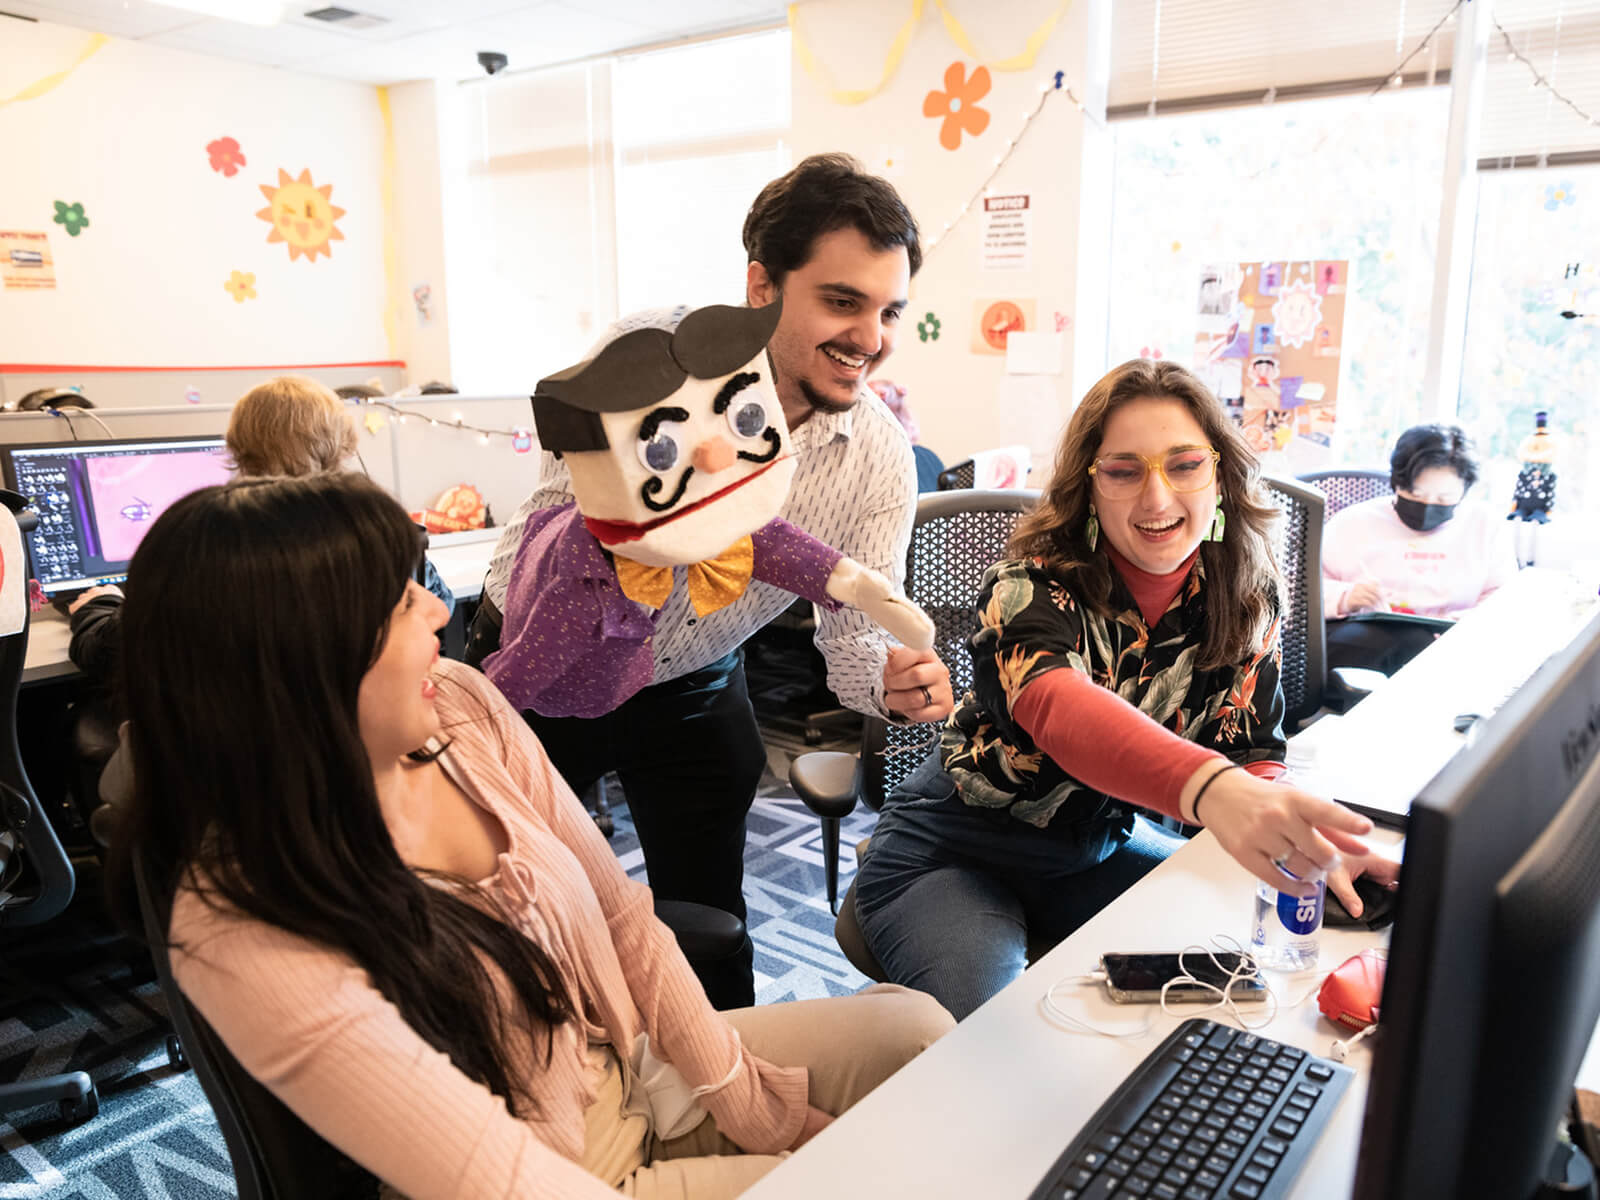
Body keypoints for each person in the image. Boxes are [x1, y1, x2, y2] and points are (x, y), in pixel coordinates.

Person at [105, 473, 954, 1199]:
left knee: (915, 1033)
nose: (438, 610)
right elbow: (510, 1182)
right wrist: (813, 1160)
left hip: (630, 1066)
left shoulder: (462, 707)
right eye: (401, 601)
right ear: (300, 664)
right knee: (894, 1176)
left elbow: (623, 919)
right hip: (558, 1171)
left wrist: (762, 1113)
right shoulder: (243, 923)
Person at [470, 153, 954, 1010]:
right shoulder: (650, 360)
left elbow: (851, 638)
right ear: (761, 285)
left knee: (712, 930)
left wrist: (886, 679)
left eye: (888, 312)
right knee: (512, 917)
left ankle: (734, 1100)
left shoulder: (878, 458)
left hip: (692, 685)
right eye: (843, 301)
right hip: (537, 661)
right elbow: (550, 527)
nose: (871, 339)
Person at [853, 359, 1391, 1021]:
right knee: (989, 1045)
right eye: (1124, 470)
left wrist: (1301, 842)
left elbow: (1251, 750)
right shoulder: (1027, 583)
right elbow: (1056, 704)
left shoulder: (1246, 595)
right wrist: (1217, 792)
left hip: (1094, 851)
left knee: (1238, 981)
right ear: (1090, 486)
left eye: (1185, 465)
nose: (1158, 499)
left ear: (1219, 473)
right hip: (952, 853)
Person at [68, 375, 455, 686]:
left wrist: (97, 608)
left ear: (236, 446)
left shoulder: (206, 538)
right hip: (362, 739)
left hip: (239, 754)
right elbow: (442, 604)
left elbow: (119, 652)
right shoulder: (382, 529)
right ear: (343, 449)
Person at [1322, 424, 1516, 674]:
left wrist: (1469, 623)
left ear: (1464, 491)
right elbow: (1303, 593)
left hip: (1453, 642)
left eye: (1443, 499)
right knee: (1406, 645)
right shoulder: (1352, 522)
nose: (1427, 506)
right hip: (1367, 637)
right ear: (1396, 482)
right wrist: (1346, 597)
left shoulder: (1485, 526)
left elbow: (1503, 599)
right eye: (1416, 494)